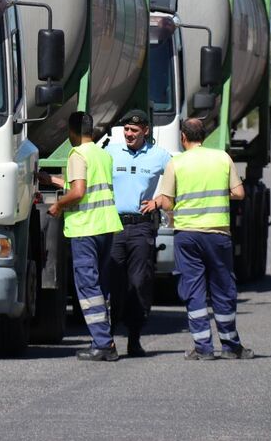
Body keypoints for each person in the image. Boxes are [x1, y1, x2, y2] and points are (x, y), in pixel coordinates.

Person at [155, 117, 254, 360]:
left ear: (183, 137)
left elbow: (167, 202)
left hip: (187, 235)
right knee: (223, 288)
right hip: (218, 234)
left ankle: (203, 347)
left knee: (193, 289)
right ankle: (231, 345)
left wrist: (176, 208)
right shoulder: (222, 157)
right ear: (205, 136)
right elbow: (239, 193)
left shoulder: (176, 163)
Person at [45, 111, 124, 361]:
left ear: (72, 132)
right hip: (106, 225)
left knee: (88, 286)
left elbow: (79, 192)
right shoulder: (102, 154)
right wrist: (54, 181)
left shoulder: (76, 154)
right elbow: (89, 186)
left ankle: (103, 344)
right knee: (101, 286)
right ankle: (104, 338)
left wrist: (58, 206)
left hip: (85, 228)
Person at [105, 109, 172, 357]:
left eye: (134, 130)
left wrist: (160, 201)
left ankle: (134, 338)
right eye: (126, 130)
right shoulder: (111, 152)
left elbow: (180, 177)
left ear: (145, 131)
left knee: (139, 282)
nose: (129, 134)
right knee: (112, 282)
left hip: (141, 227)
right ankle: (108, 339)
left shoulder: (158, 156)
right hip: (113, 225)